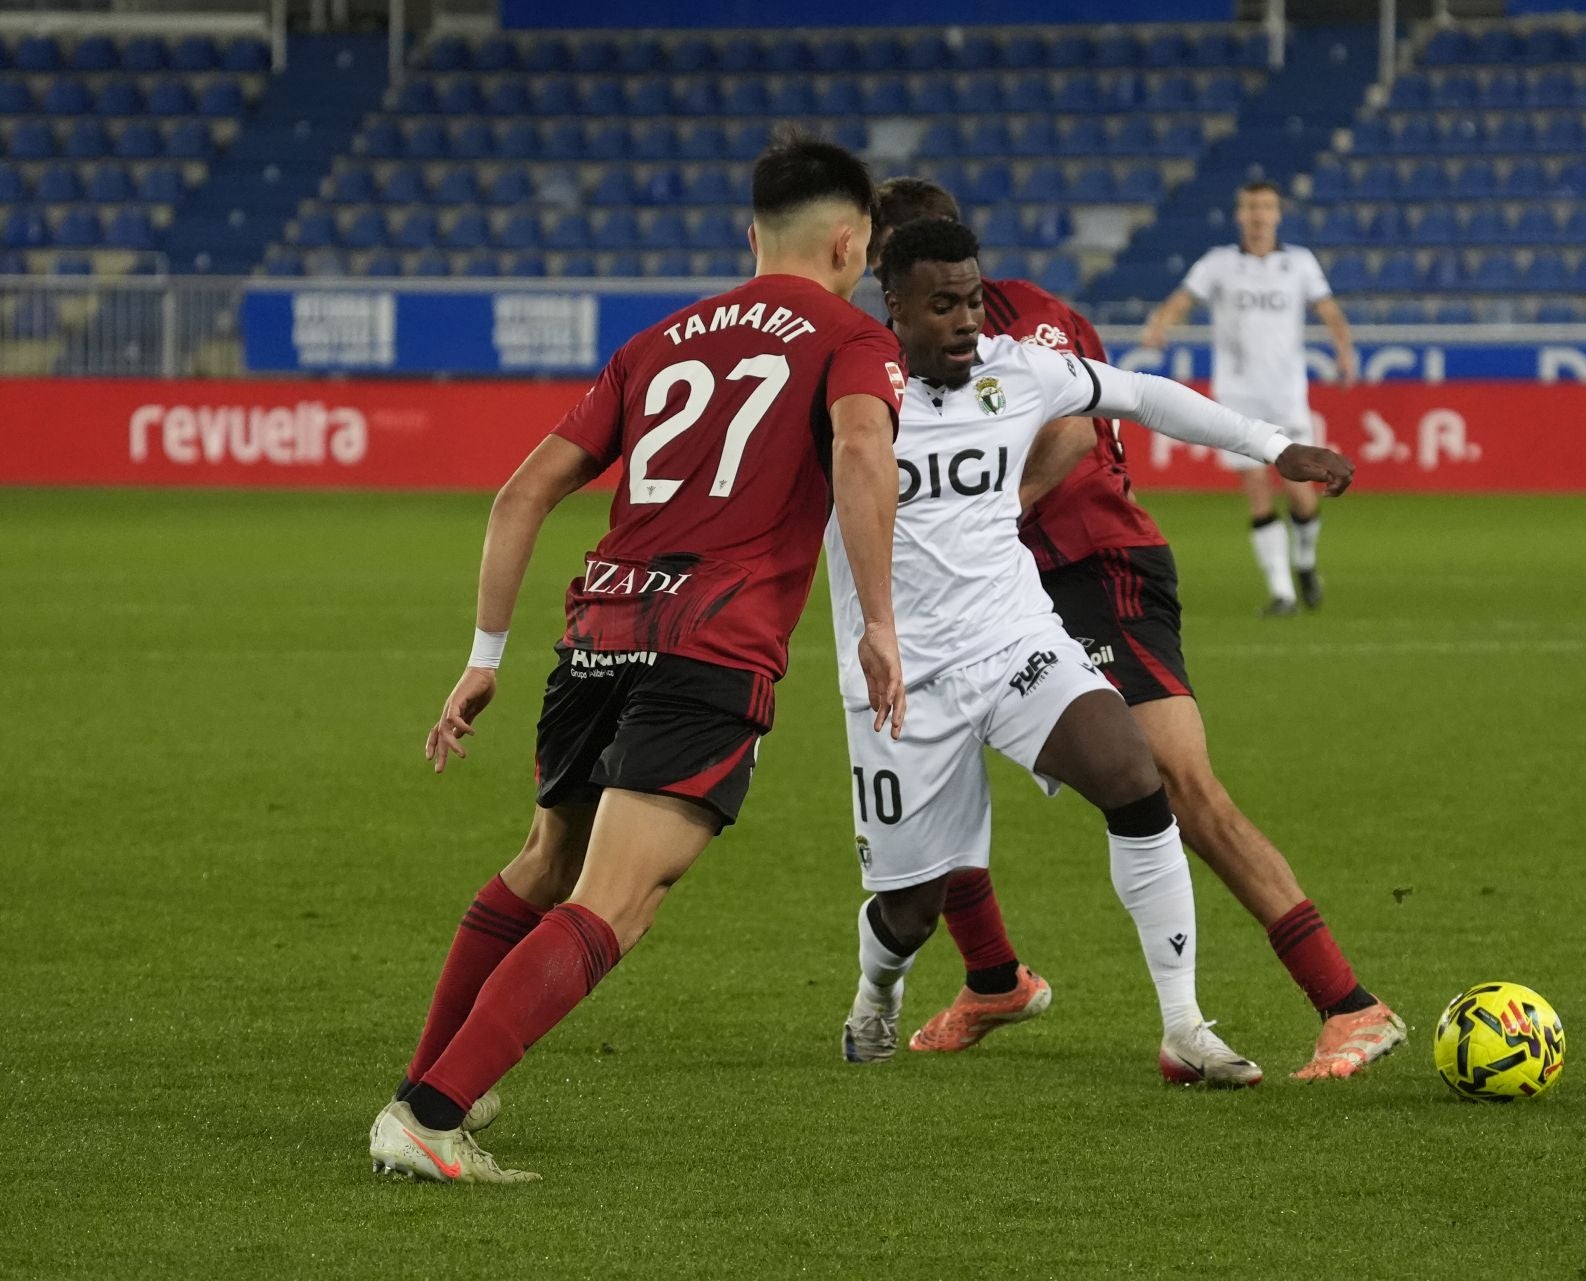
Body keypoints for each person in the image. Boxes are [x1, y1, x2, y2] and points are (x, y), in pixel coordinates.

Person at [367, 135, 909, 1184]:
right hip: (710, 643)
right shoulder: (852, 337)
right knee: (618, 898)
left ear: (752, 236)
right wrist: (878, 619)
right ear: (850, 242)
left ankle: (429, 1081)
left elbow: (520, 493)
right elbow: (857, 448)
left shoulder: (658, 340)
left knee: (546, 862)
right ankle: (430, 1116)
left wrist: (484, 656)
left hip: (599, 631)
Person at [868, 178, 1405, 1083]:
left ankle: (1347, 1002)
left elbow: (1078, 432)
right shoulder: (894, 348)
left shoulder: (1023, 323)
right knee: (932, 760)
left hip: (1095, 563)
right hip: (1003, 589)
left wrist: (989, 512)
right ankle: (993, 976)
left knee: (1175, 784)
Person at [1141, 180, 1358, 617]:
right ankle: (1282, 593)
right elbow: (1183, 299)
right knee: (1257, 490)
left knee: (1301, 493)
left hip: (1286, 394)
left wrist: (1344, 349)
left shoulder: (1299, 263)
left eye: (1266, 207)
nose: (1259, 215)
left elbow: (1328, 310)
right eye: (1252, 207)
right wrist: (1160, 323)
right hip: (1238, 396)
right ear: (1240, 214)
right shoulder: (1219, 263)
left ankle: (1305, 560)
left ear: (1277, 214)